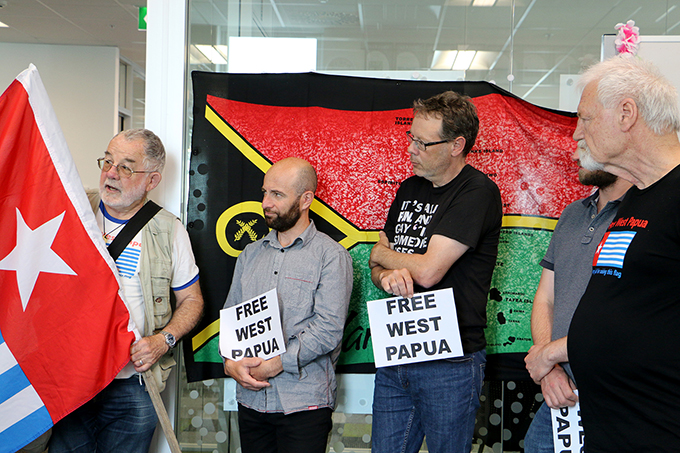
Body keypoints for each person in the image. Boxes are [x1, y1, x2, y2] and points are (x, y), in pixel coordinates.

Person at [50, 129, 204, 452]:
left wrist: (164, 341)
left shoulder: (169, 231)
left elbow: (192, 300)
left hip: (133, 386)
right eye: (107, 162)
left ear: (152, 180)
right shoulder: (76, 209)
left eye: (126, 167)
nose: (111, 173)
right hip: (73, 380)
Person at [368, 91, 502, 453]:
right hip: (399, 348)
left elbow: (428, 272)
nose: (411, 149)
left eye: (423, 143)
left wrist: (386, 253)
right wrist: (384, 274)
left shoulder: (478, 192)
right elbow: (376, 262)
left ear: (457, 145)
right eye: (411, 138)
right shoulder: (409, 188)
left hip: (451, 360)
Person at [563, 55, 680, 452]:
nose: (576, 134)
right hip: (611, 430)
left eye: (585, 118)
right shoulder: (637, 198)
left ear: (626, 113)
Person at [222, 157, 353, 453]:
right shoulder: (250, 255)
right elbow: (232, 321)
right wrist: (230, 364)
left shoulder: (331, 256)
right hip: (251, 401)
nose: (266, 203)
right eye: (265, 193)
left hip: (304, 405)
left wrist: (273, 365)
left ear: (306, 199)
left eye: (277, 195)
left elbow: (327, 330)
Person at [523, 143, 631, 453]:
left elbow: (629, 320)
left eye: (586, 144)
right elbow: (545, 298)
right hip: (564, 393)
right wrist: (550, 369)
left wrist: (548, 358)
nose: (574, 155)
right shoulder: (572, 214)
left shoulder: (644, 216)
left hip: (619, 394)